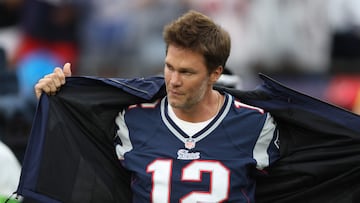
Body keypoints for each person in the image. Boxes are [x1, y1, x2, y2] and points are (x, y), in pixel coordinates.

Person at [33, 10, 279, 202]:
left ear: (215, 74)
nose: (173, 81)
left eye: (186, 72)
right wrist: (57, 102)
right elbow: (79, 162)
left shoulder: (257, 125)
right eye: (169, 67)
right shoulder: (132, 121)